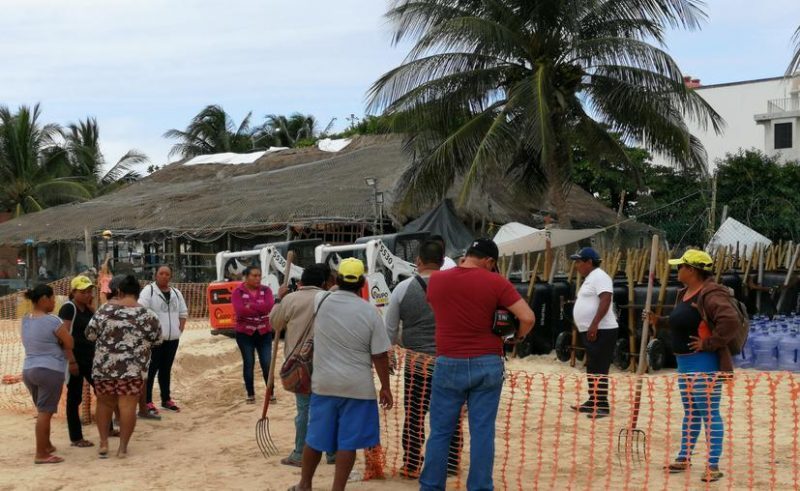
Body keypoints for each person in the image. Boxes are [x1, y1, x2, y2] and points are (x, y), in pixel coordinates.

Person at [420, 238, 535, 491]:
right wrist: (517, 337)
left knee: (440, 432)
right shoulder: (497, 282)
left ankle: (430, 486)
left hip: (448, 361)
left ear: (467, 254)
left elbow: (435, 306)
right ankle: (480, 487)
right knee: (482, 432)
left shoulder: (437, 280)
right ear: (489, 261)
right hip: (487, 362)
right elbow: (527, 317)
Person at [291, 258, 393, 491]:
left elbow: (333, 290)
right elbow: (379, 355)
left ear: (336, 280)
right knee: (348, 443)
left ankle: (304, 484)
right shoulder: (370, 312)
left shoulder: (321, 300)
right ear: (363, 282)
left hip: (324, 385)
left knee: (315, 438)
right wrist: (385, 387)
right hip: (358, 388)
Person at [647, 249, 738, 483]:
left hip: (703, 363)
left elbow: (730, 321)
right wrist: (660, 321)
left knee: (708, 413)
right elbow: (683, 322)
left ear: (693, 270)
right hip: (684, 362)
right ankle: (684, 457)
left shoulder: (711, 293)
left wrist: (710, 343)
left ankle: (713, 465)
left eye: (681, 267)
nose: (678, 270)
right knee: (691, 412)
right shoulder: (685, 293)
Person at [384, 239, 462, 478]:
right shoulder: (456, 287)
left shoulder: (403, 288)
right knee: (451, 413)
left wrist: (395, 350)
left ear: (417, 261)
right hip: (450, 362)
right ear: (442, 262)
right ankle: (449, 464)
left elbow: (389, 328)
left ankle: (411, 463)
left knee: (415, 413)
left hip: (417, 363)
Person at [86, 275, 162, 459]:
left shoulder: (104, 311)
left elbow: (89, 335)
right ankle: (122, 448)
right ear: (137, 292)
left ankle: (104, 443)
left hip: (104, 368)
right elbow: (158, 340)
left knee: (104, 404)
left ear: (118, 291)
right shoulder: (149, 315)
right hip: (133, 370)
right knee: (128, 407)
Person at [270, 263, 335, 467]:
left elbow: (275, 323)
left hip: (298, 363)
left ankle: (300, 452)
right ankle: (332, 453)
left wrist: (279, 299)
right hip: (327, 361)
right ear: (324, 282)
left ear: (302, 280)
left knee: (304, 409)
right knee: (329, 407)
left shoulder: (290, 299)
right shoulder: (329, 298)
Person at [20, 284, 73, 464]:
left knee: (43, 411)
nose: (54, 302)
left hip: (28, 369)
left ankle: (47, 444)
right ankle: (41, 453)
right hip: (49, 369)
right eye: (52, 299)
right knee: (45, 412)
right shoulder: (53, 321)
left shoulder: (25, 319)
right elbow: (69, 342)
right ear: (44, 299)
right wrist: (59, 343)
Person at [60, 275, 110, 447]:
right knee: (74, 399)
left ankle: (108, 428)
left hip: (90, 358)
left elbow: (98, 326)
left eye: (89, 291)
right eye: (83, 292)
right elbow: (63, 336)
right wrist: (71, 361)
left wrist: (92, 308)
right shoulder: (68, 308)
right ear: (73, 292)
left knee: (102, 392)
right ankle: (76, 437)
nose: (88, 294)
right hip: (75, 359)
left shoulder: (87, 309)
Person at [569, 247, 618, 418]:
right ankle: (593, 400)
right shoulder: (591, 278)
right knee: (592, 365)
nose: (576, 266)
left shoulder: (600, 276)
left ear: (589, 262)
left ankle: (602, 405)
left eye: (578, 262)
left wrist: (594, 324)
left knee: (599, 366)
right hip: (594, 329)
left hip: (603, 329)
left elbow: (606, 299)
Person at [138, 265, 188, 417]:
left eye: (167, 274)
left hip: (172, 339)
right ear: (156, 275)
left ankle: (166, 399)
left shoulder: (176, 293)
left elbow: (183, 312)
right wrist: (149, 332)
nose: (164, 276)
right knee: (151, 370)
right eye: (161, 273)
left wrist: (180, 328)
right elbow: (141, 310)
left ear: (170, 276)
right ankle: (147, 402)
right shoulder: (149, 291)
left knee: (166, 370)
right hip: (155, 340)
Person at [231, 265, 275, 403]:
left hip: (264, 332)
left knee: (267, 363)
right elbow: (240, 311)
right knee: (249, 362)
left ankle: (270, 393)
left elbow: (269, 307)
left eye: (259, 276)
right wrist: (259, 309)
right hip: (245, 334)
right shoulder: (238, 292)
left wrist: (251, 305)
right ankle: (250, 394)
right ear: (246, 277)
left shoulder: (266, 290)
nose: (257, 278)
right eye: (254, 276)